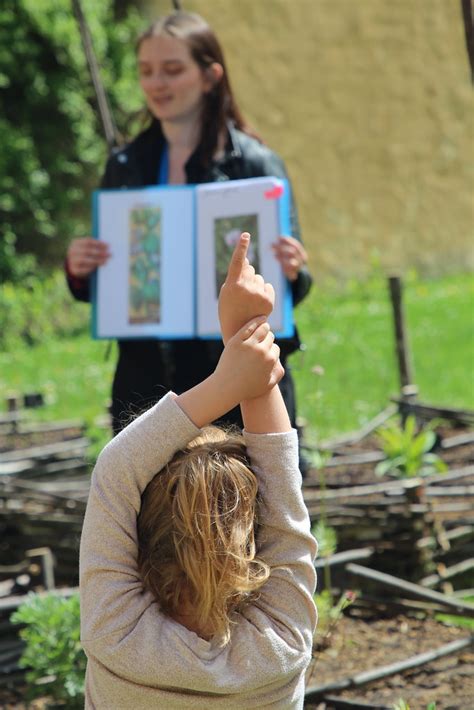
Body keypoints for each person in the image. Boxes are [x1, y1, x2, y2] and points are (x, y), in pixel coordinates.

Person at [80, 233, 317, 708]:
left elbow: (117, 468)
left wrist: (231, 374)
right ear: (253, 547)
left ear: (142, 541)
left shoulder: (117, 637)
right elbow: (283, 493)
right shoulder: (281, 644)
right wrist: (247, 334)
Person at [66, 11, 312, 467]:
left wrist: (292, 270)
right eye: (146, 71)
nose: (156, 82)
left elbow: (289, 292)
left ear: (209, 75)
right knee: (156, 528)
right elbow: (119, 285)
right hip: (147, 385)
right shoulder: (124, 166)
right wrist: (82, 271)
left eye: (172, 69)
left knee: (247, 528)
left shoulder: (255, 164)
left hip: (237, 384)